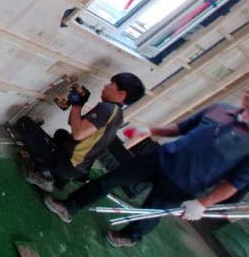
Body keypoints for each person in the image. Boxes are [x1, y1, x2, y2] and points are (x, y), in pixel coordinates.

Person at [44, 87, 249, 247]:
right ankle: (69, 206)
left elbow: (235, 183)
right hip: (160, 158)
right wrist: (150, 130)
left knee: (150, 213)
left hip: (183, 184)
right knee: (109, 180)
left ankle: (129, 236)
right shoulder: (220, 109)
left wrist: (203, 203)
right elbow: (181, 128)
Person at [16, 73, 146, 192]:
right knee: (61, 134)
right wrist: (79, 104)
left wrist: (77, 105)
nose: (106, 86)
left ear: (121, 94)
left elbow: (78, 134)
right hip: (78, 169)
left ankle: (45, 175)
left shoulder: (106, 108)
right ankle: (59, 177)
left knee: (24, 123)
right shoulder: (117, 114)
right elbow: (73, 123)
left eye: (111, 84)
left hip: (69, 165)